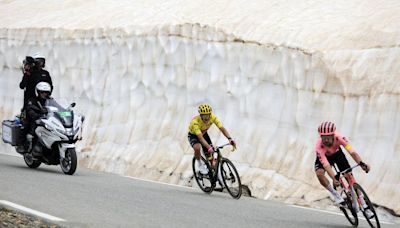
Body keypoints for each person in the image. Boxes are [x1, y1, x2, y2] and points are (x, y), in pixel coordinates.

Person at [314, 121, 373, 218]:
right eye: (323, 137)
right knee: (319, 173)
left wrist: (361, 164)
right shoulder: (319, 146)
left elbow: (351, 151)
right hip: (325, 157)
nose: (326, 140)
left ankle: (364, 206)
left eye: (328, 137)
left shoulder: (340, 138)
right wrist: (334, 178)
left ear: (333, 135)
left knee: (349, 176)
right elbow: (326, 165)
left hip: (337, 154)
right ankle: (336, 195)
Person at [188, 104, 236, 175]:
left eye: (207, 115)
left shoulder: (213, 117)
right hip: (194, 135)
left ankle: (216, 175)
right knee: (197, 148)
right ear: (200, 115)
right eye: (204, 116)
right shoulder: (195, 122)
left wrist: (229, 138)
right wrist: (209, 147)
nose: (206, 118)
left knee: (211, 159)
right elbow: (200, 138)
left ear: (210, 114)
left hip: (204, 134)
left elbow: (222, 128)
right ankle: (199, 163)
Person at [25, 82, 52, 156]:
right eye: (42, 92)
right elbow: (30, 110)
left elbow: (58, 107)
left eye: (46, 92)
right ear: (38, 92)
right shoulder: (33, 100)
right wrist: (36, 114)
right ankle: (30, 144)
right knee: (35, 123)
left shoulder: (50, 100)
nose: (44, 94)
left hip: (48, 120)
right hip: (36, 119)